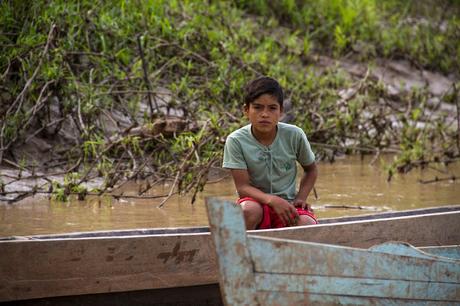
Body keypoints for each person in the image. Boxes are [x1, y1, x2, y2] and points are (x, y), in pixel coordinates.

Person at [223, 76, 318, 230]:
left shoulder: (294, 135)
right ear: (246, 110)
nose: (265, 114)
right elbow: (242, 187)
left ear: (280, 111)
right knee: (248, 211)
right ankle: (241, 250)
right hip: (255, 204)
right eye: (258, 107)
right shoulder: (236, 140)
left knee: (307, 224)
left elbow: (311, 169)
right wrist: (271, 200)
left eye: (272, 108)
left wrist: (301, 198)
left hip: (288, 205)